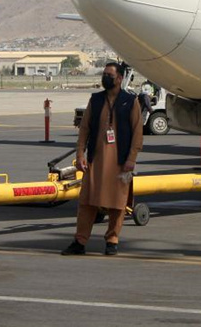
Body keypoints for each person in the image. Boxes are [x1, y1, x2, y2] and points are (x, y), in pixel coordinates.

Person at [61, 62, 143, 256]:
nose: (105, 77)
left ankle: (112, 241)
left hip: (120, 162)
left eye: (109, 75)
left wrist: (131, 158)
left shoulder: (131, 101)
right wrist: (80, 154)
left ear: (120, 79)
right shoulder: (96, 100)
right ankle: (80, 242)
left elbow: (137, 132)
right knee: (87, 202)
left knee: (117, 203)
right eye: (104, 74)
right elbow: (85, 129)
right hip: (95, 161)